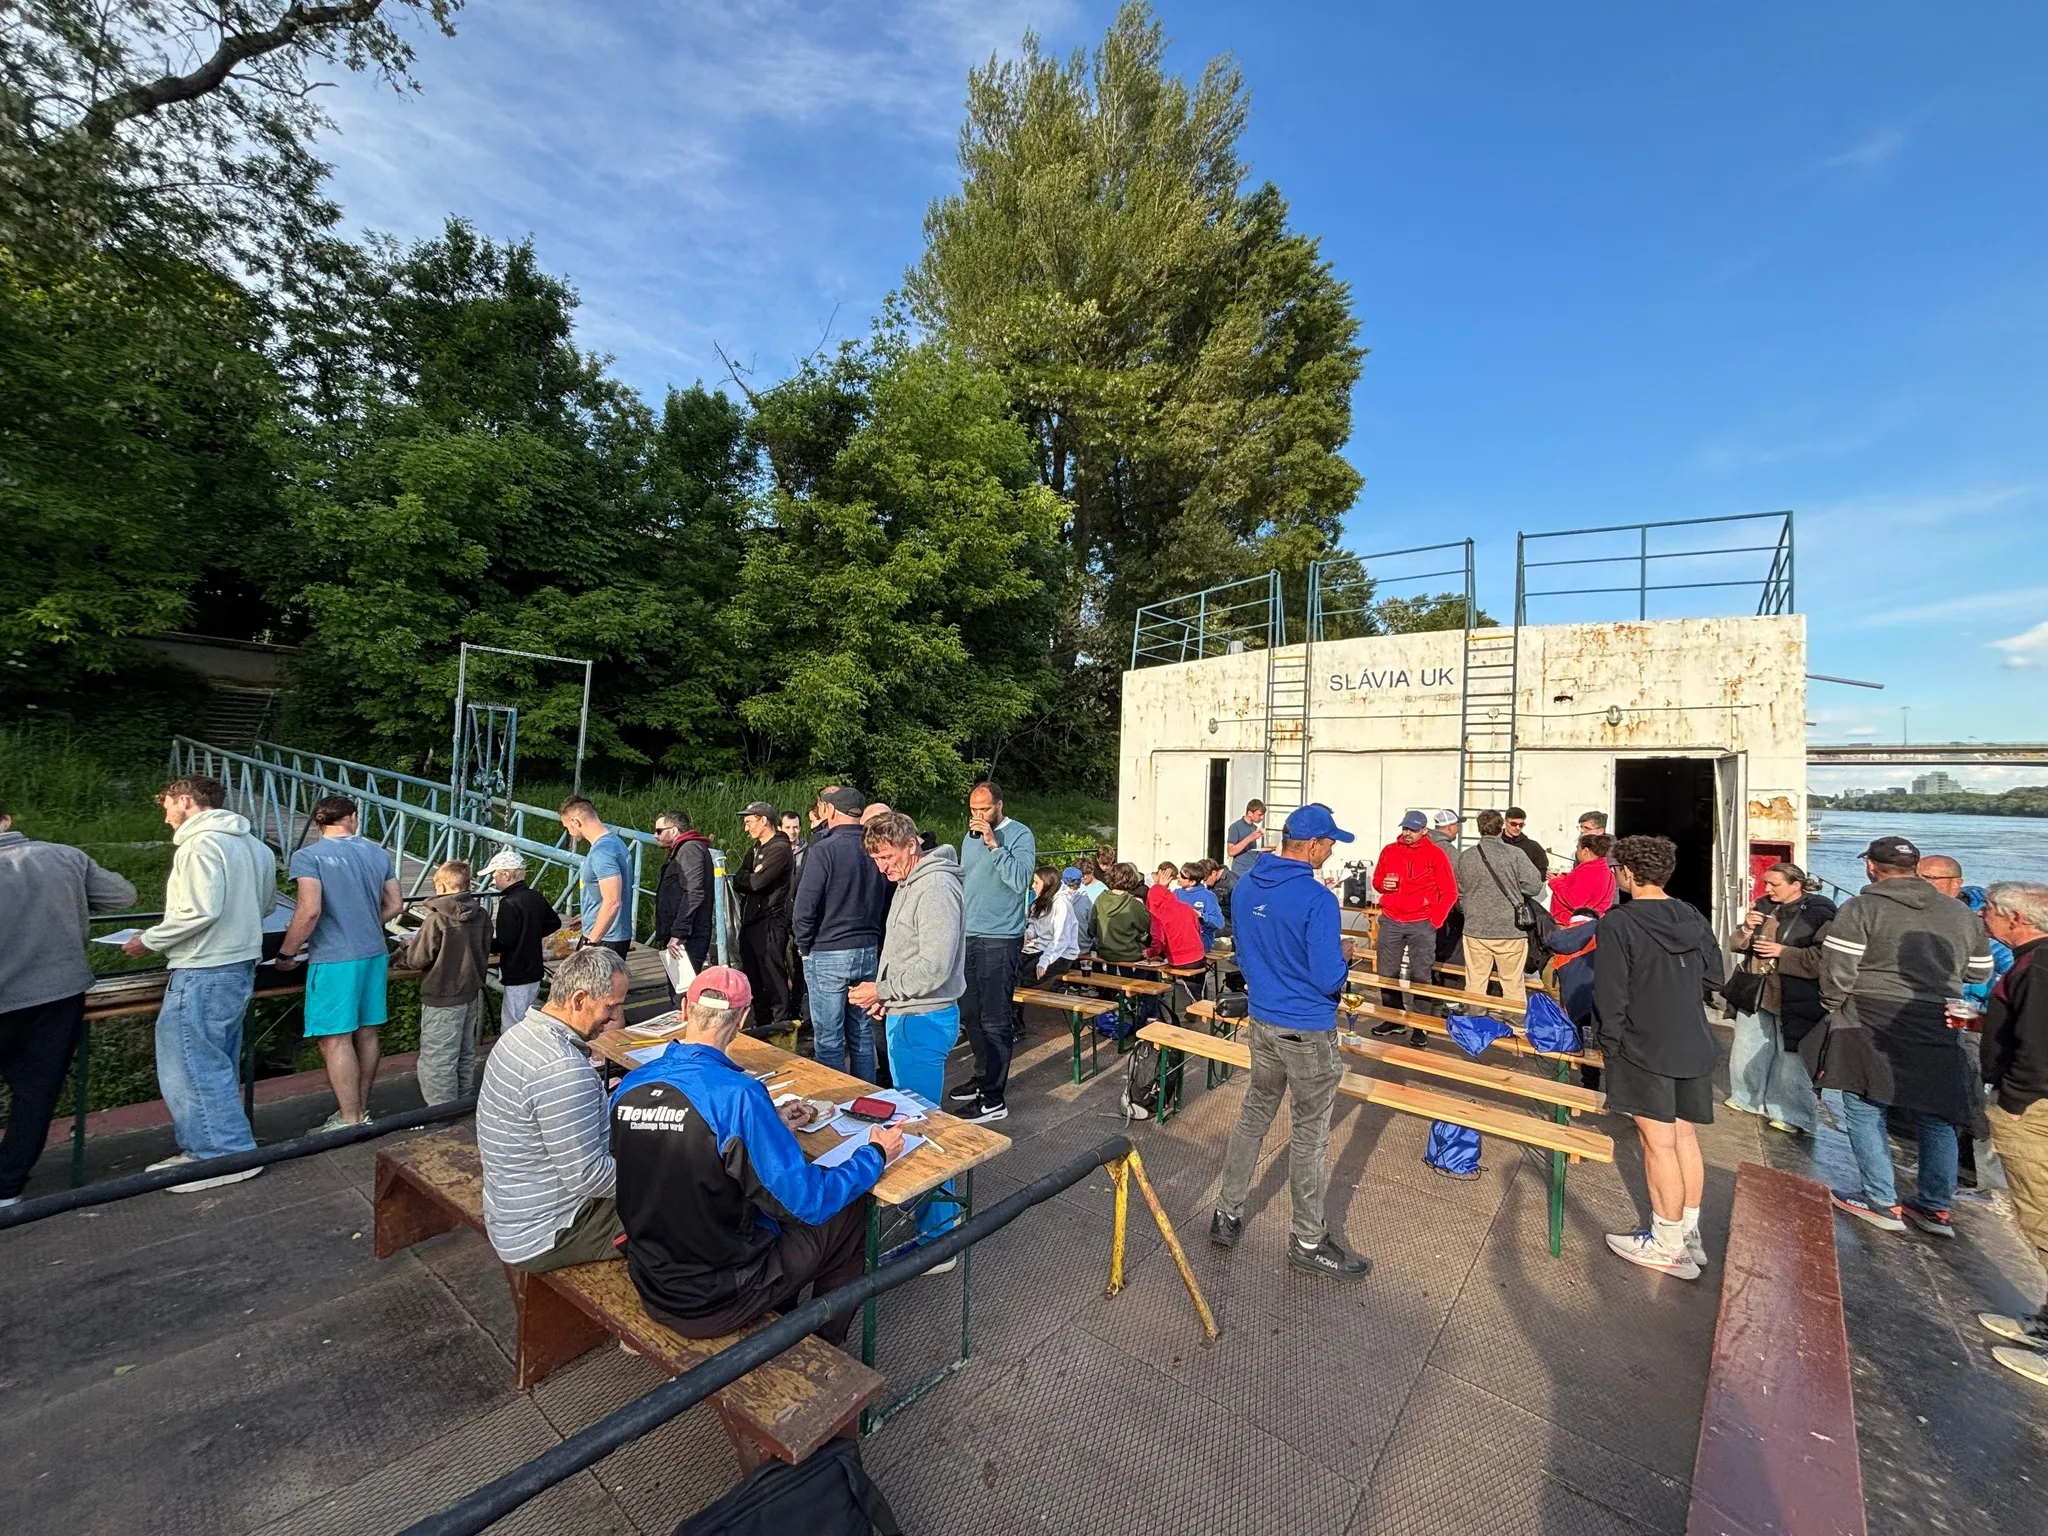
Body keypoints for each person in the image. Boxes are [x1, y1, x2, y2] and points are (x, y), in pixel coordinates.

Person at [612, 965, 905, 1341]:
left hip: (653, 1278)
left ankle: (784, 1307)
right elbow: (806, 1202)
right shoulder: (739, 1094)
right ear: (743, 1019)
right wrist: (874, 1155)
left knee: (771, 1205)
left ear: (685, 1009)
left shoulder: (632, 1083)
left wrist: (770, 1123)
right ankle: (822, 1344)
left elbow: (687, 1147)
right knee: (851, 1208)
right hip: (716, 1296)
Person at [1210, 803, 1371, 1279]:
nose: (1331, 851)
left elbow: (1244, 952)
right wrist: (1343, 954)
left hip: (1262, 1020)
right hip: (1307, 1027)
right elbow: (1327, 978)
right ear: (1314, 845)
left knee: (1253, 1117)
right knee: (1309, 1135)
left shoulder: (1246, 885)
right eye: (1330, 844)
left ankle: (1226, 1213)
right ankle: (1307, 1240)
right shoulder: (1317, 898)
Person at [1808, 835, 1993, 1238]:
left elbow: (1838, 969)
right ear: (1915, 867)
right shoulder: (1959, 913)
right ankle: (1935, 1207)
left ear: (1871, 867)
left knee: (1863, 1104)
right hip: (1938, 1017)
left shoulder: (1862, 907)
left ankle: (1880, 1201)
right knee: (1936, 1112)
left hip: (1870, 1014)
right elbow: (1979, 971)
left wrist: (1833, 1006)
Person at [119, 775, 274, 1189]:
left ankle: (221, 1156)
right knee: (216, 1063)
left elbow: (198, 911)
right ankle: (214, 1148)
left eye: (168, 806)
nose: (166, 817)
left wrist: (148, 940)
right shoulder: (255, 846)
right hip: (240, 963)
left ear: (185, 800)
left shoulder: (199, 845)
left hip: (203, 967)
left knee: (190, 1065)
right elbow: (265, 906)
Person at [1593, 835, 1725, 1280]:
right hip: (1692, 1038)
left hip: (1644, 1042)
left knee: (1658, 1143)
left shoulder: (1619, 922)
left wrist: (1609, 1043)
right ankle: (1689, 1233)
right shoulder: (1691, 914)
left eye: (1616, 869)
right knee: (1684, 1137)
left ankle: (1667, 1245)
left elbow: (1611, 993)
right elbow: (1714, 975)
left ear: (1629, 873)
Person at [0, 803, 137, 1205]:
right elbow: (123, 896)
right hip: (59, 993)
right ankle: (7, 1187)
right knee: (36, 1093)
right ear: (6, 820)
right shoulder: (64, 856)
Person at [850, 812, 967, 1249]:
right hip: (910, 1014)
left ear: (911, 845)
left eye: (887, 857)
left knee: (921, 1128)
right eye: (876, 860)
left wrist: (882, 990)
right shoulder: (911, 879)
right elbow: (908, 954)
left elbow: (935, 966)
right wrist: (888, 998)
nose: (882, 868)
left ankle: (938, 1238)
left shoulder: (934, 886)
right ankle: (933, 1216)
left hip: (923, 1019)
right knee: (916, 1120)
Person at [476, 944, 629, 1271]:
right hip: (550, 1232)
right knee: (689, 1205)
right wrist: (662, 1177)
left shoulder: (518, 1036)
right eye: (611, 1006)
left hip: (512, 1213)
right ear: (579, 999)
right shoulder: (563, 1070)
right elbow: (588, 1177)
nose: (615, 1019)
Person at [275, 795, 401, 1131]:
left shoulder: (308, 856)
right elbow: (396, 904)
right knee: (367, 1032)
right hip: (373, 952)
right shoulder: (377, 853)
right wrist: (367, 924)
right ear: (353, 818)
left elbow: (309, 910)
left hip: (334, 957)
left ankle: (349, 1118)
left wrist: (287, 953)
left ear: (318, 824)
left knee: (334, 1038)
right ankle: (360, 1109)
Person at [1974, 882, 2048, 1381]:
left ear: (2015, 919)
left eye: (1989, 911)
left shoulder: (2036, 968)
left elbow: (2039, 1046)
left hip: (2033, 1110)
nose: (1983, 917)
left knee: (2042, 1215)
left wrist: (2015, 1101)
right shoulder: (2033, 962)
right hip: (2032, 1101)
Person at [1922, 853, 2014, 1191]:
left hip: (1972, 1021)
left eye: (1929, 879)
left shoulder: (1988, 932)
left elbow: (2006, 974)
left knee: (1969, 1090)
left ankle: (1977, 1168)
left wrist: (1977, 1000)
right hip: (1938, 1015)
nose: (1921, 885)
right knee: (1944, 1088)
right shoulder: (1930, 917)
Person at [1724, 863, 1835, 1136]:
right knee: (1747, 1044)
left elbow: (1824, 958)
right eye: (1766, 883)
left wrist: (1782, 952)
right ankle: (1746, 1098)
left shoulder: (1820, 911)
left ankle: (1792, 1114)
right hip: (1757, 988)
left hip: (1795, 993)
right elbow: (1736, 945)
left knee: (1791, 1056)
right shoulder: (1763, 905)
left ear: (1796, 885)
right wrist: (1746, 929)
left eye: (1775, 884)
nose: (1767, 889)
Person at [792, 785, 892, 1081]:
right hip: (867, 947)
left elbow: (804, 907)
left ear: (832, 811)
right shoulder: (873, 848)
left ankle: (838, 1100)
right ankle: (866, 1094)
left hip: (828, 950)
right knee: (861, 1033)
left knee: (829, 1038)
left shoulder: (823, 849)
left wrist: (803, 946)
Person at [950, 780, 1035, 1124]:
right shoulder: (967, 839)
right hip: (969, 934)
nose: (978, 815)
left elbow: (1020, 881)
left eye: (984, 809)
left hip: (1000, 938)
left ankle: (994, 1099)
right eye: (973, 809)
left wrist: (994, 844)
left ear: (999, 805)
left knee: (996, 1019)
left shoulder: (1020, 834)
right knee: (971, 1014)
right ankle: (982, 1076)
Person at [395, 859, 492, 1105]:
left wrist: (407, 949)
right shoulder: (481, 914)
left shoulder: (436, 919)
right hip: (470, 991)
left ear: (441, 886)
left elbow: (418, 959)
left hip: (441, 994)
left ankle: (441, 1110)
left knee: (437, 1059)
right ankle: (462, 1101)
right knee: (464, 1053)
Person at [1369, 811, 1456, 1039]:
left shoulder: (1435, 854)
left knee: (1421, 975)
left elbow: (1450, 892)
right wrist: (1383, 884)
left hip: (1421, 923)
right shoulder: (1389, 850)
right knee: (1387, 973)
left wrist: (1434, 921)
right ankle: (1393, 1019)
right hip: (1391, 920)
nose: (1408, 833)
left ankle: (1420, 1025)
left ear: (1424, 831)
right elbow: (1377, 881)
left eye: (1413, 830)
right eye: (1405, 828)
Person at [1454, 809, 1546, 1006]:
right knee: (1512, 984)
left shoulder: (1465, 857)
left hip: (1475, 928)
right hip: (1510, 929)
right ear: (1501, 827)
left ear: (1479, 829)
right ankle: (1514, 1022)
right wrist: (1515, 887)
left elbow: (1460, 891)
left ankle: (1475, 1021)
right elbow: (1534, 885)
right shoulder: (1515, 854)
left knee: (1475, 983)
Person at [732, 799, 796, 1031]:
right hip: (751, 920)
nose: (746, 827)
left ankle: (780, 1026)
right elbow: (739, 878)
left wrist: (749, 877)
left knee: (772, 977)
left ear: (764, 821)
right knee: (753, 978)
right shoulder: (755, 848)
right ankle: (762, 1024)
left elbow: (757, 882)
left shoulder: (779, 848)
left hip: (770, 921)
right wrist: (747, 877)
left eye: (749, 822)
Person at [483, 851, 560, 1032]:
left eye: (494, 874)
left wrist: (483, 944)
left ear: (506, 875)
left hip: (516, 970)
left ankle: (511, 1048)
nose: (493, 880)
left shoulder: (508, 903)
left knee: (512, 1022)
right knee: (529, 1017)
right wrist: (532, 933)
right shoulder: (535, 896)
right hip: (534, 968)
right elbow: (554, 922)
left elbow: (505, 942)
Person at [559, 797, 633, 958]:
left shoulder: (602, 852)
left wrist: (591, 942)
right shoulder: (615, 842)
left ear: (576, 822)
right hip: (605, 934)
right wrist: (588, 916)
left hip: (604, 939)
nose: (569, 833)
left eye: (567, 827)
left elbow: (613, 901)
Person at [652, 810, 716, 996]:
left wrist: (678, 933)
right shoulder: (684, 849)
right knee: (680, 990)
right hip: (685, 932)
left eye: (659, 831)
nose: (655, 835)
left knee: (682, 992)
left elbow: (694, 892)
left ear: (673, 831)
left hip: (688, 935)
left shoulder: (689, 850)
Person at [1021, 866, 1083, 985]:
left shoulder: (1061, 904)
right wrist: (1028, 935)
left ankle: (1049, 990)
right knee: (1012, 967)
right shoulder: (1040, 900)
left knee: (1025, 977)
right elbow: (1034, 925)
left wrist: (1045, 961)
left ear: (1047, 884)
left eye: (1036, 883)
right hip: (1041, 948)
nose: (1033, 886)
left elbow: (1061, 939)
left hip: (1062, 954)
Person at [1547, 833, 1617, 925]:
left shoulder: (1589, 870)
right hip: (1589, 922)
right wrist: (1564, 880)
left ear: (1585, 851)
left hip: (1572, 924)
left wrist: (1555, 882)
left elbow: (1576, 901)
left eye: (1578, 849)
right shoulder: (1604, 869)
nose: (1577, 853)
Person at [1092, 863, 1153, 963]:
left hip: (1106, 953)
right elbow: (1148, 926)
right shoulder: (1134, 904)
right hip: (1131, 954)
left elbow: (1092, 928)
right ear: (1131, 879)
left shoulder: (1100, 899)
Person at [1147, 865, 1205, 965]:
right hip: (1199, 957)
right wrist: (1162, 887)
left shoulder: (1158, 915)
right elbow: (1198, 929)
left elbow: (1159, 941)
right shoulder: (1186, 907)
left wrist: (1150, 953)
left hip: (1179, 960)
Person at [1177, 861, 1225, 951]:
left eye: (1182, 876)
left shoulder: (1207, 896)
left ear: (1192, 882)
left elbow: (1220, 922)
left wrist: (1200, 916)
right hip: (1178, 940)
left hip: (1200, 942)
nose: (1178, 876)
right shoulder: (1175, 894)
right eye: (1179, 873)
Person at [1501, 807, 1548, 879]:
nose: (1517, 828)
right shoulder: (1496, 843)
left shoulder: (1533, 847)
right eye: (1513, 824)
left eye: (1521, 825)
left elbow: (1542, 872)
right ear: (1505, 822)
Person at [1224, 800, 1267, 876]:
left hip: (1253, 869)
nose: (1262, 818)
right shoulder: (1235, 827)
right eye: (1259, 815)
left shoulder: (1254, 828)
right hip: (1240, 871)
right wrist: (1250, 837)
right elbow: (1231, 852)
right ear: (1250, 813)